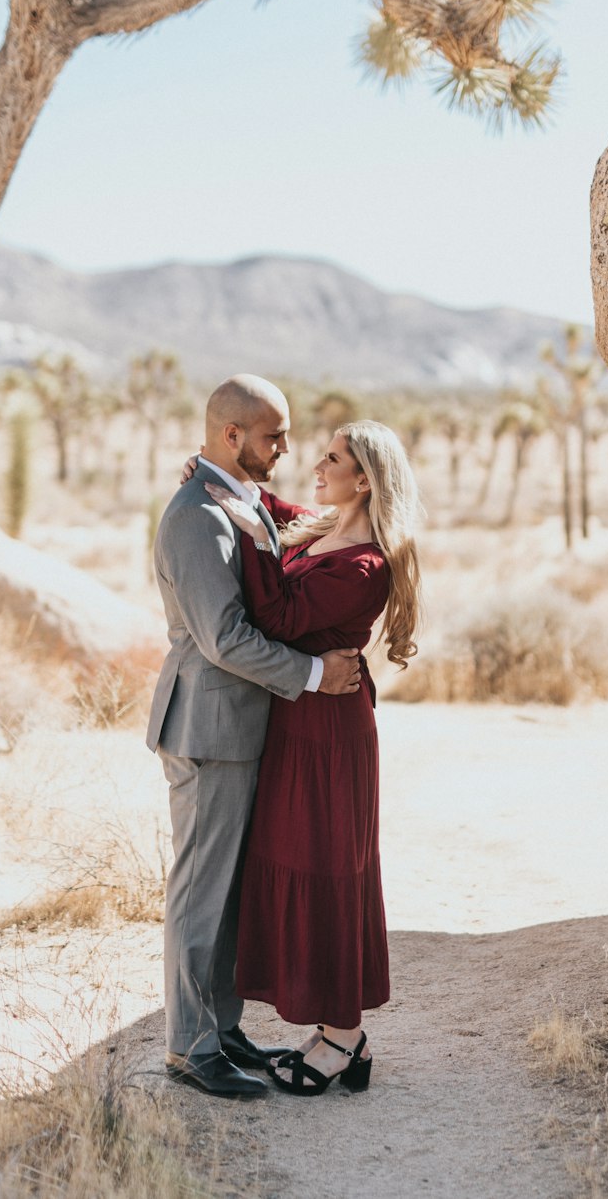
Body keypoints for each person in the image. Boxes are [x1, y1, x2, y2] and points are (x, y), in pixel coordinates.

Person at [147, 375, 363, 1101]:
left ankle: (221, 1028)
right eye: (273, 436)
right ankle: (189, 1047)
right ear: (232, 435)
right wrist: (312, 673)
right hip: (208, 727)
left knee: (228, 892)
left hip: (243, 728)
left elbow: (300, 526)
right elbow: (224, 637)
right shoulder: (197, 518)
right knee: (200, 890)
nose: (285, 448)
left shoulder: (236, 500)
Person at [203, 418, 422, 1095]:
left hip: (330, 733)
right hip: (300, 723)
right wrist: (227, 485)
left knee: (326, 868)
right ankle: (331, 1031)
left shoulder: (365, 565)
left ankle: (345, 1037)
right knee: (299, 858)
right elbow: (282, 511)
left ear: (365, 478)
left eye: (332, 458)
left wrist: (237, 521)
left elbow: (278, 615)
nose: (316, 467)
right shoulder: (330, 530)